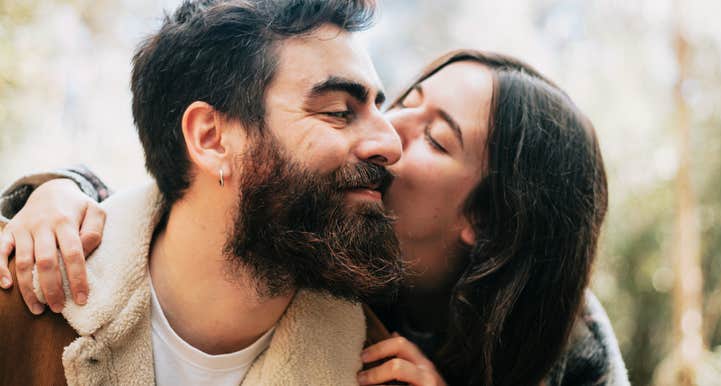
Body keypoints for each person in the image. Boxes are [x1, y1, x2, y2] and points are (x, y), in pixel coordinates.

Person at [0, 51, 629, 386]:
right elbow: (202, 206)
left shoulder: (571, 351)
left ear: (489, 223)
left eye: (435, 139)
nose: (386, 135)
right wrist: (54, 191)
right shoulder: (327, 233)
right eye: (402, 102)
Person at [0, 0, 411, 385]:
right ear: (211, 138)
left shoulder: (379, 369)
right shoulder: (15, 306)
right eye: (339, 112)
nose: (391, 144)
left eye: (380, 108)